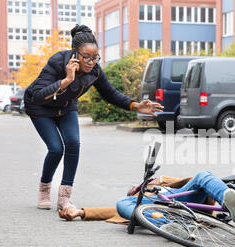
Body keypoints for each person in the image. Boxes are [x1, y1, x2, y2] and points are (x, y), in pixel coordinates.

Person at [24, 24, 163, 212]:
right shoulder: (57, 61)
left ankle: (65, 198)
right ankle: (44, 189)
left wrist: (135, 105)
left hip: (66, 107)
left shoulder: (95, 71)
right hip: (40, 107)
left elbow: (110, 93)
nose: (91, 62)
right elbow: (38, 95)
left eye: (95, 57)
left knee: (73, 143)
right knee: (56, 149)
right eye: (86, 57)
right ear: (75, 53)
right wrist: (66, 80)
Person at [58, 171, 235, 225]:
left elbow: (190, 182)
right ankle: (167, 224)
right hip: (153, 208)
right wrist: (81, 212)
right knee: (121, 203)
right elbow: (111, 211)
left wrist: (160, 182)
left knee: (203, 175)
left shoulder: (162, 181)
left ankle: (228, 200)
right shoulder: (132, 200)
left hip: (179, 197)